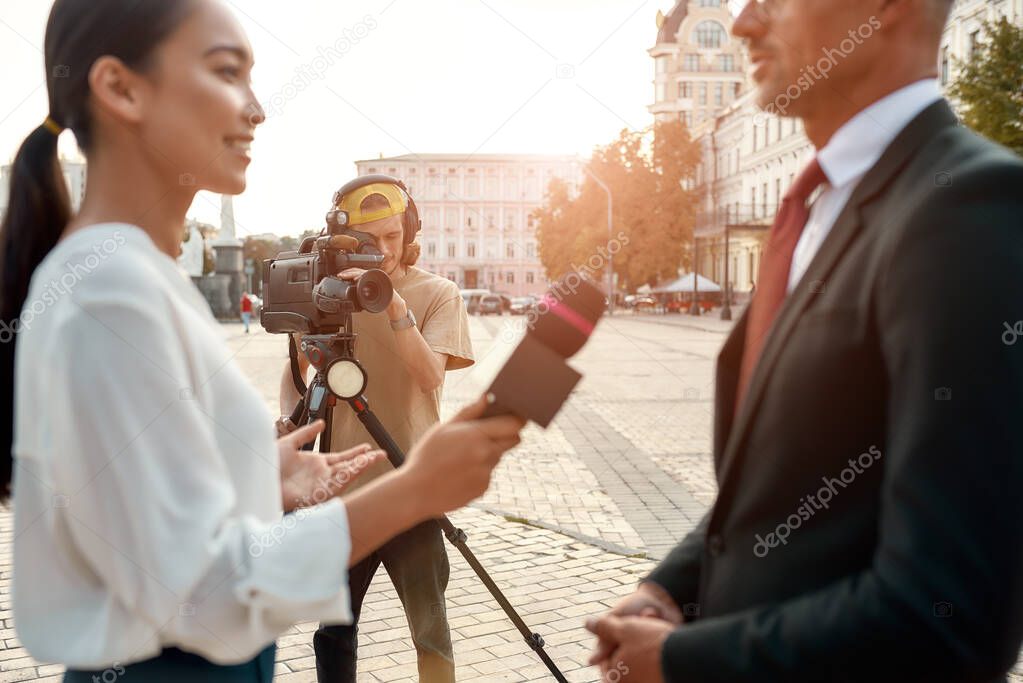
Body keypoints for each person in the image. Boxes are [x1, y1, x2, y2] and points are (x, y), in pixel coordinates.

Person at [0, 1, 524, 681]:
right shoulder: (112, 293)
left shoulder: (117, 275)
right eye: (226, 72)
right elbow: (202, 594)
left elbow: (150, 518)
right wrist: (415, 488)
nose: (256, 108)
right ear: (121, 87)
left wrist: (252, 474)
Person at [586, 0, 1023, 681]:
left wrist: (681, 659)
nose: (742, 24)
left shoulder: (965, 209)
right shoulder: (818, 208)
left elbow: (948, 614)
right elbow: (787, 483)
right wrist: (672, 587)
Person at [277, 176, 473, 683]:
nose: (383, 251)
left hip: (412, 484)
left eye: (392, 237)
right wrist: (287, 421)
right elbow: (298, 370)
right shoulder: (330, 297)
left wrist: (392, 306)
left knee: (430, 630)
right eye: (370, 242)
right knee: (334, 632)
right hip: (343, 494)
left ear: (409, 230)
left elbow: (430, 375)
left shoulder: (437, 293)